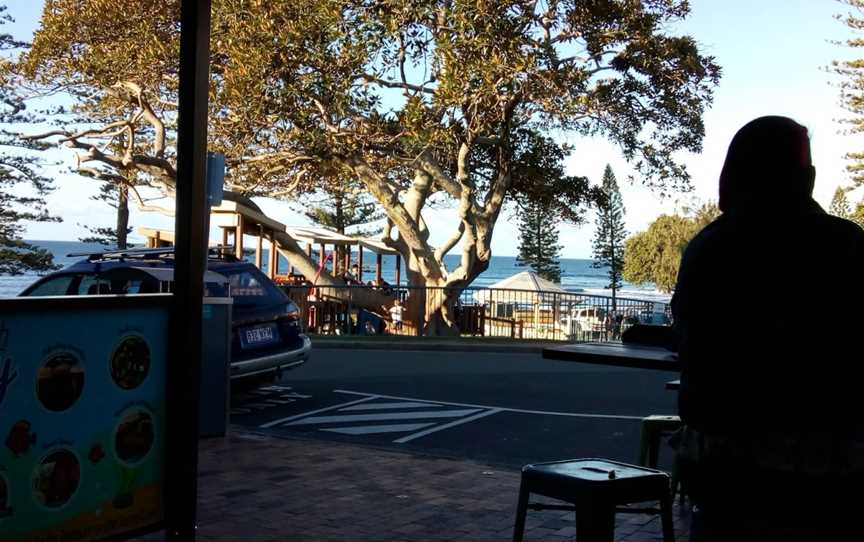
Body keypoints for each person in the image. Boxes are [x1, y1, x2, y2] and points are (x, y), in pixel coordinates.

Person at [671, 116, 864, 541]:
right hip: (830, 477)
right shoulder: (847, 245)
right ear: (807, 178)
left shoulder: (710, 249)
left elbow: (692, 348)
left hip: (724, 476)